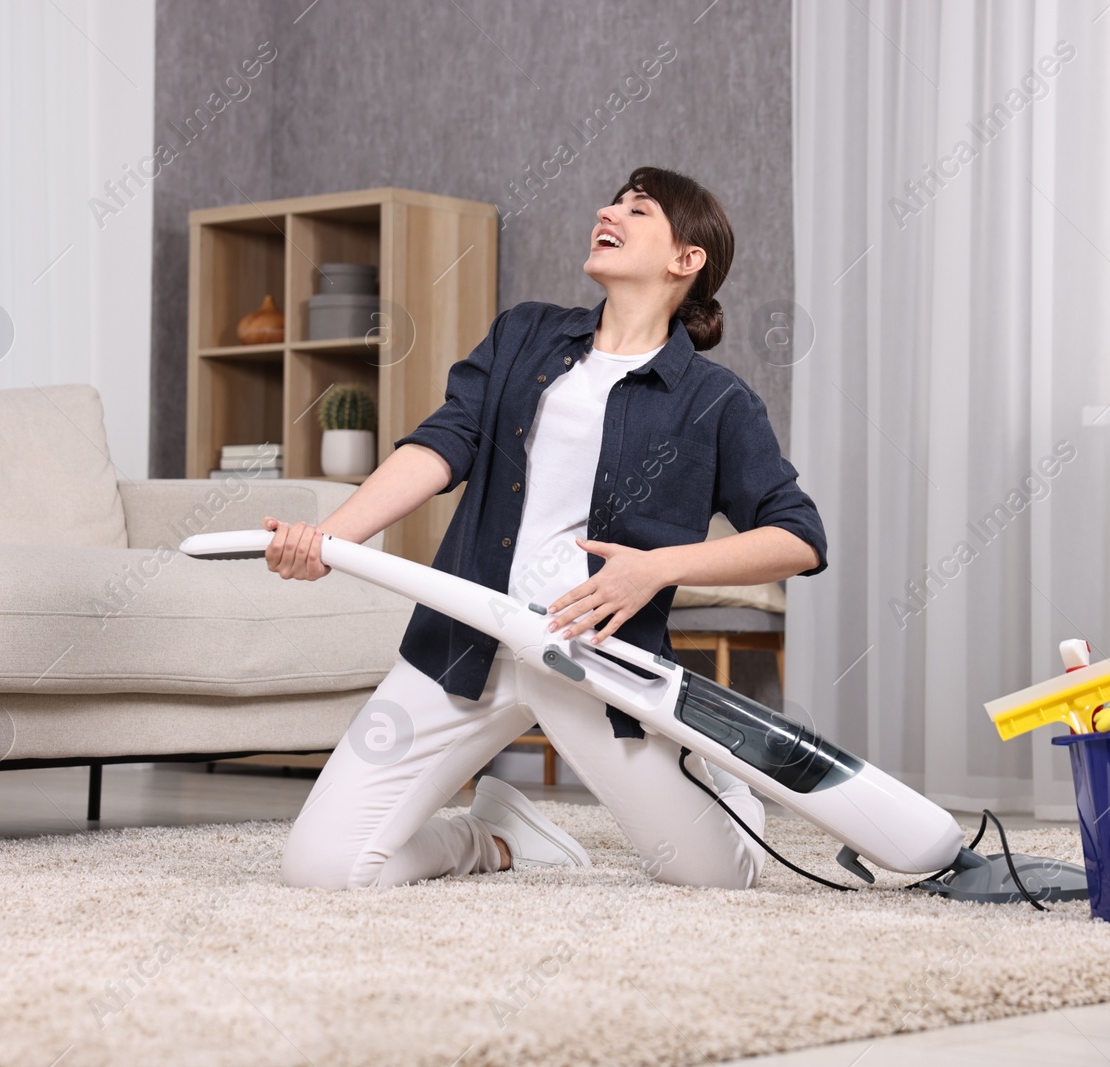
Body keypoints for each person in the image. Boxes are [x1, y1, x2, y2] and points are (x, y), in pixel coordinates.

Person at [263, 165, 828, 891]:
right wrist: (329, 539)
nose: (608, 211)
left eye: (639, 209)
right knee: (321, 868)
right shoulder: (523, 335)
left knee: (718, 877)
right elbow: (442, 445)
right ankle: (494, 837)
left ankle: (714, 776)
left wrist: (657, 568)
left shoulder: (715, 400)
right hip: (463, 639)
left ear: (686, 260)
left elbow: (798, 536)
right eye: (612, 201)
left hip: (595, 662)